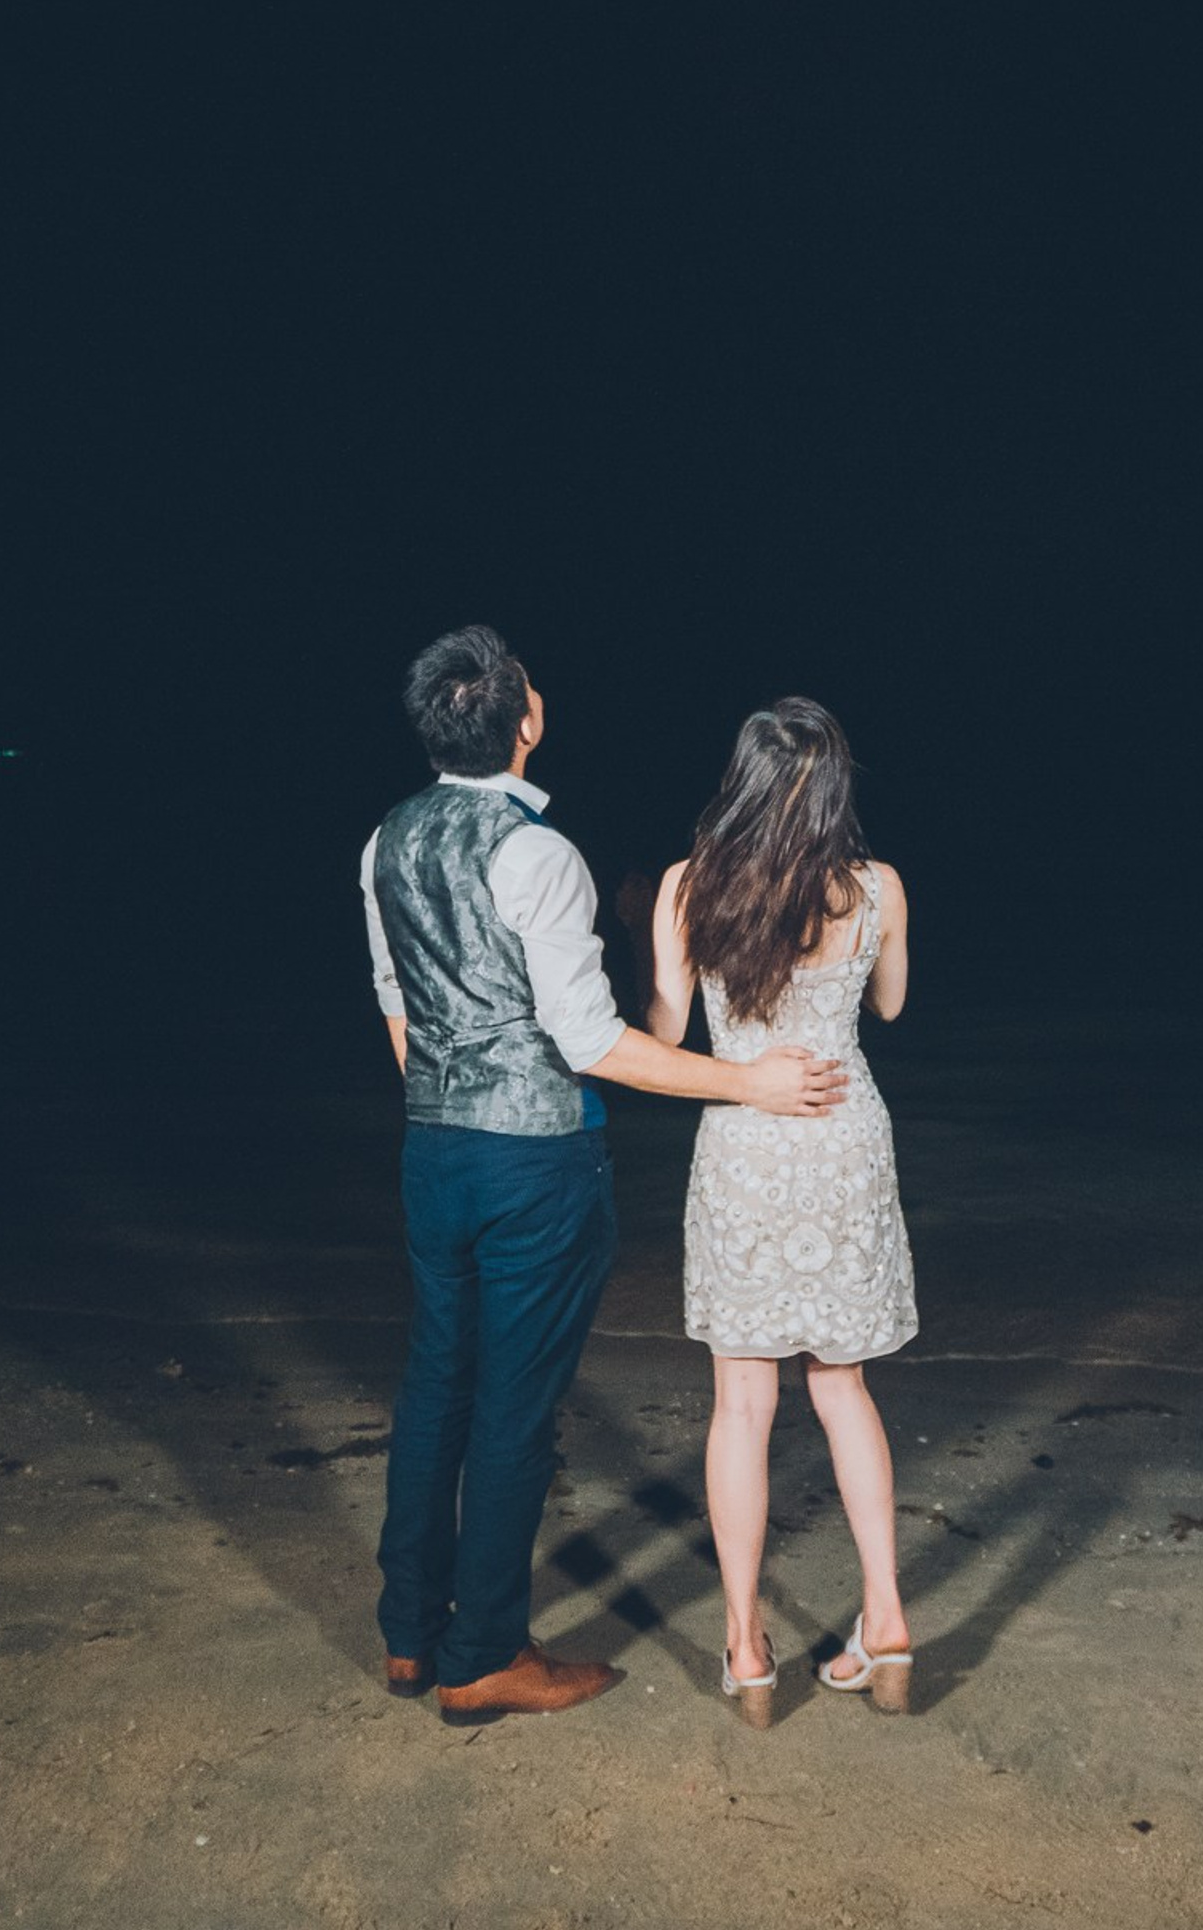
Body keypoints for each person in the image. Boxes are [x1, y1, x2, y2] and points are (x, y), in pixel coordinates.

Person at [361, 627, 849, 1725]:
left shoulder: (382, 839)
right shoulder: (539, 855)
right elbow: (592, 1043)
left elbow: (397, 1003)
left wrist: (448, 1109)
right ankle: (480, 1651)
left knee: (437, 1382)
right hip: (533, 1162)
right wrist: (747, 1083)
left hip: (433, 1150)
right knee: (514, 1410)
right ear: (524, 719)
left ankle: (409, 1633)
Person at [648, 698, 918, 1722]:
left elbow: (666, 1035)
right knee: (842, 1387)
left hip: (748, 1142)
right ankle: (885, 1617)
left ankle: (745, 1647)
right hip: (844, 1135)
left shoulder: (687, 886)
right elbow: (888, 1005)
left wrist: (664, 960)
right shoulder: (878, 886)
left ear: (744, 781)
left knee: (743, 1403)